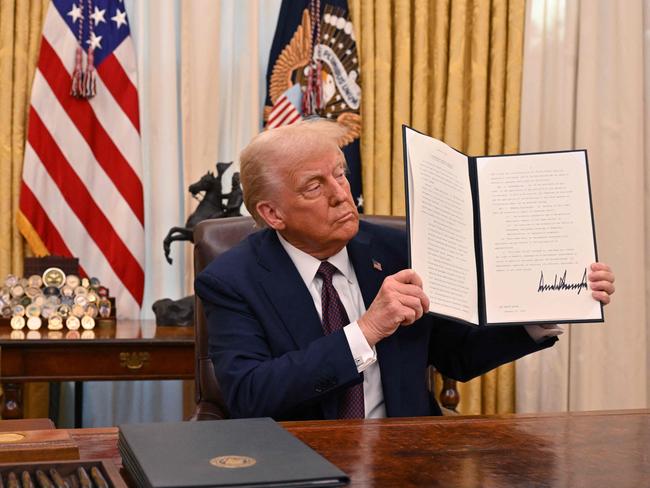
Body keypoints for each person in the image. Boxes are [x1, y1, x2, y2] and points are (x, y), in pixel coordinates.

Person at [195, 119, 615, 421]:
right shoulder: (232, 279)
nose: (343, 195)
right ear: (272, 213)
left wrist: (548, 304)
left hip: (408, 455)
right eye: (315, 186)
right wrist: (366, 330)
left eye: (340, 174)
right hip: (300, 461)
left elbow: (457, 355)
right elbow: (250, 395)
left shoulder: (398, 250)